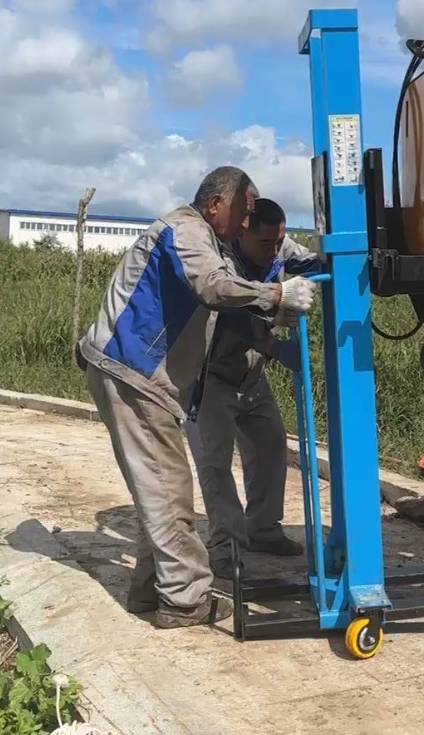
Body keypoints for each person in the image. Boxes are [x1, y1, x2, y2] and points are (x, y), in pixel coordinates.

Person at [77, 167, 316, 629]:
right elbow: (210, 284)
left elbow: (290, 257)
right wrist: (274, 294)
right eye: (244, 213)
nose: (248, 224)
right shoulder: (187, 230)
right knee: (169, 487)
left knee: (158, 487)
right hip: (134, 371)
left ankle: (151, 589)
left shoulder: (209, 234)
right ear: (215, 206)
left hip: (140, 375)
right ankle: (185, 598)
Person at [185, 198, 320, 579]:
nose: (275, 251)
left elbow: (310, 263)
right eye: (266, 243)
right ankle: (226, 547)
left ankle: (262, 529)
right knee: (215, 462)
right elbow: (229, 314)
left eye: (280, 241)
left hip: (249, 375)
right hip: (209, 376)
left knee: (269, 442)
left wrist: (339, 258)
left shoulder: (277, 246)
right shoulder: (221, 260)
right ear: (242, 232)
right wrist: (275, 345)